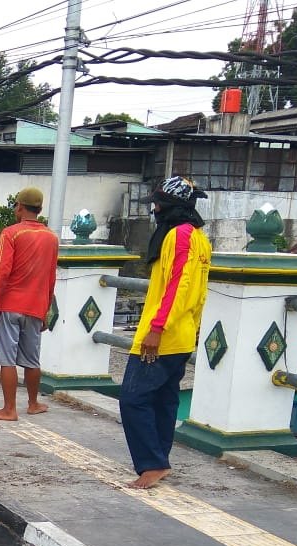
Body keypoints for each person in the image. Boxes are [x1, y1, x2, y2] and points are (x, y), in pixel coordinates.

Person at [119, 176, 211, 489]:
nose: (155, 208)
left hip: (164, 334)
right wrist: (194, 328)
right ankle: (159, 460)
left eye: (158, 203)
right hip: (182, 331)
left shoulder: (179, 236)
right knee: (163, 400)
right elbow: (199, 293)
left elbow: (179, 286)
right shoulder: (200, 237)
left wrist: (157, 328)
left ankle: (152, 463)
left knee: (133, 398)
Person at [0, 187, 59, 421]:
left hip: (11, 304)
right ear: (40, 209)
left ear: (20, 207)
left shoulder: (10, 234)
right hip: (35, 307)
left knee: (7, 359)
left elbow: (2, 272)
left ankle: (9, 409)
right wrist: (45, 310)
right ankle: (33, 403)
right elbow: (50, 277)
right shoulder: (52, 237)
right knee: (32, 359)